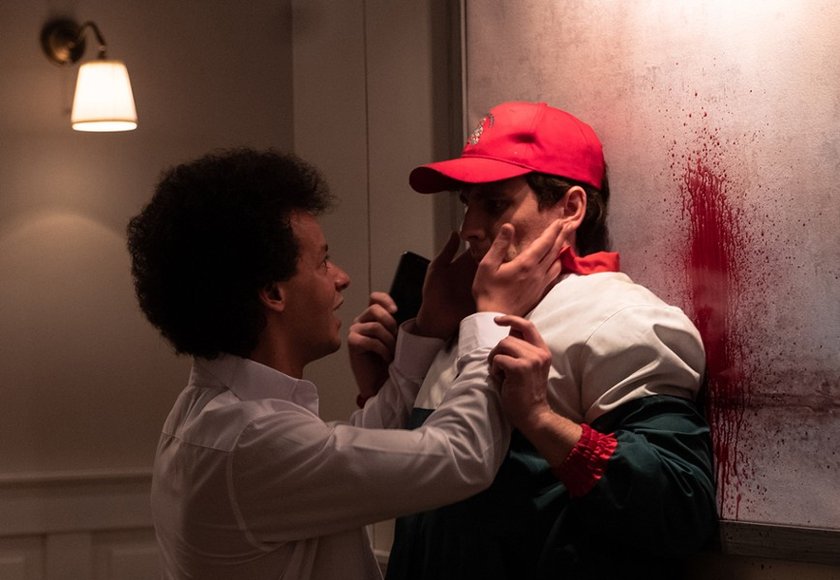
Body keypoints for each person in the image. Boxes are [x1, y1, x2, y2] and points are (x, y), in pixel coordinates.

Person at [126, 147, 568, 580]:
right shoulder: (250, 441)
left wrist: (427, 330)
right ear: (274, 293)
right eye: (322, 262)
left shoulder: (207, 411)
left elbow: (351, 458)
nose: (342, 277)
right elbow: (460, 456)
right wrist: (490, 315)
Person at [350, 102, 717, 579]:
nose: (468, 229)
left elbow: (680, 506)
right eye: (467, 204)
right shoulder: (468, 322)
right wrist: (417, 345)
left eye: (494, 204)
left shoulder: (620, 319)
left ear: (570, 208)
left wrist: (541, 421)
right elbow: (413, 482)